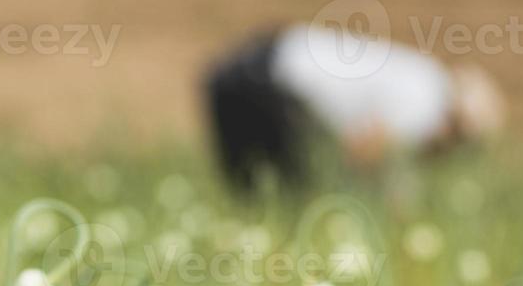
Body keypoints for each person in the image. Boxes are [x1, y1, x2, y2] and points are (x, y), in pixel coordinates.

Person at [204, 22, 505, 191]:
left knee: (260, 195)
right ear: (455, 126)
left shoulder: (426, 78)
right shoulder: (428, 105)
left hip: (270, 59)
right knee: (284, 199)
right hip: (267, 83)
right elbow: (364, 149)